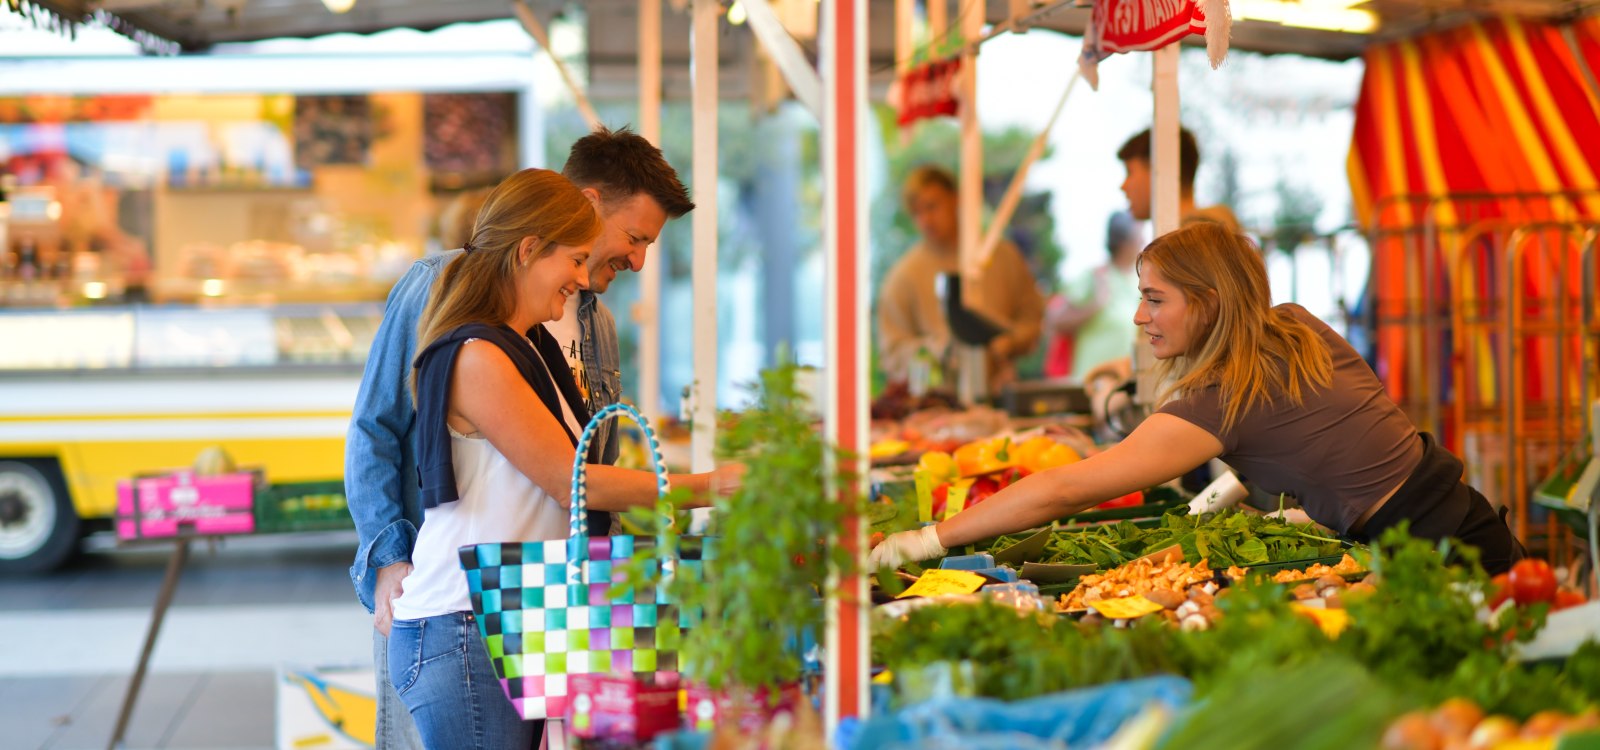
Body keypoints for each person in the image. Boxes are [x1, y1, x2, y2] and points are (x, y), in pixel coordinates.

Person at [870, 223, 1526, 575]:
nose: (1139, 317)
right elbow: (1325, 436)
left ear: (1207, 304)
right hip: (1464, 517)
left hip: (1438, 549)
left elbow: (1066, 490)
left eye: (1155, 299)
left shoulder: (1220, 401)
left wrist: (930, 537)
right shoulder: (1296, 323)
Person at [345, 126, 695, 749]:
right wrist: (389, 558)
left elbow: (579, 474)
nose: (637, 262)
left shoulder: (592, 322)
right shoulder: (446, 295)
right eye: (634, 238)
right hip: (461, 600)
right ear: (580, 211)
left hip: (537, 601)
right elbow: (375, 429)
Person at [877, 165, 1045, 390]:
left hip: (1000, 393)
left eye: (932, 206)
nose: (925, 219)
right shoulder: (903, 276)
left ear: (955, 199)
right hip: (938, 404)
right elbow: (892, 351)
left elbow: (1032, 317)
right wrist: (936, 349)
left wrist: (1010, 343)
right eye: (917, 212)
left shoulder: (1001, 255)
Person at [1042, 211, 1143, 382]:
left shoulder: (1141, 278)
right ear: (1125, 243)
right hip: (1090, 384)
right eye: (1139, 237)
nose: (1143, 242)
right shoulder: (1095, 276)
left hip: (1128, 382)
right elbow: (1054, 321)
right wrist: (1095, 305)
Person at [1115, 126, 1241, 233]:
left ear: (1160, 171)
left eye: (1129, 172)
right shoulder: (1219, 232)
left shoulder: (1190, 241)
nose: (1123, 186)